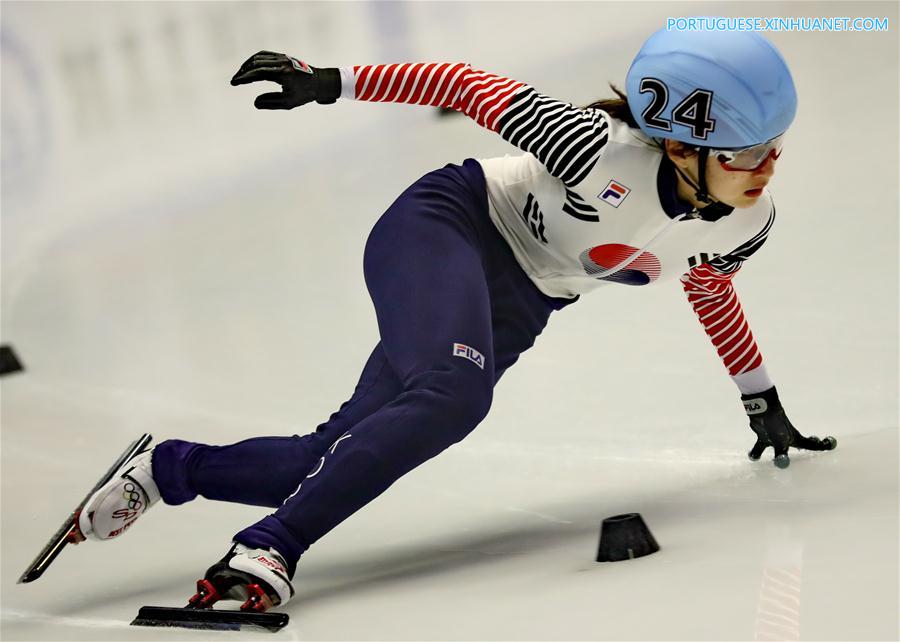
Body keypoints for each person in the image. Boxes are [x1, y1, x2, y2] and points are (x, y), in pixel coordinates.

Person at [72, 27, 836, 612]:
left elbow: (710, 290)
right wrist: (327, 81)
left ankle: (168, 469)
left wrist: (759, 399)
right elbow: (464, 84)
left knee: (317, 459)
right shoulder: (594, 150)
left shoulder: (745, 222)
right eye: (748, 153)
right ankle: (268, 549)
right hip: (449, 225)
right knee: (453, 395)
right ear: (679, 143)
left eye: (774, 148)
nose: (768, 166)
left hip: (522, 301)